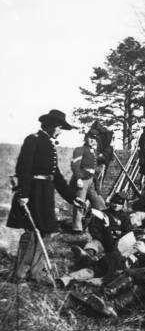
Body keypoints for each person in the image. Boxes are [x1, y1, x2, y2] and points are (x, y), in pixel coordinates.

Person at [7, 109, 84, 282]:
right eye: (59, 127)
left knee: (46, 231)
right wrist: (24, 194)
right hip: (33, 192)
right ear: (51, 126)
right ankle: (20, 274)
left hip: (46, 192)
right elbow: (23, 168)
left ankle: (35, 272)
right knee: (32, 231)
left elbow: (56, 176)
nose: (60, 131)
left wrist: (72, 198)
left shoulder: (49, 144)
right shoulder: (33, 140)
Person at [70, 129, 106, 233]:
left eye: (94, 139)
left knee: (98, 202)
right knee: (79, 203)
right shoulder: (80, 149)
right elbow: (75, 165)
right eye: (90, 138)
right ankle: (77, 228)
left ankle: (102, 224)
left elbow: (100, 161)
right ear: (86, 138)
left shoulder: (94, 151)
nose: (92, 140)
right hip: (83, 179)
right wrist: (78, 178)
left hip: (91, 180)